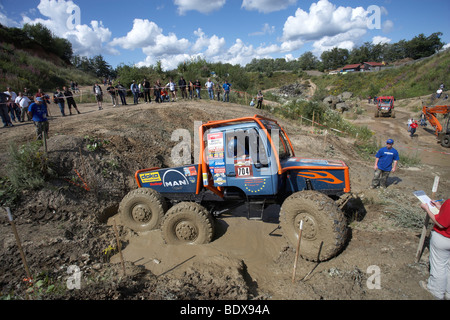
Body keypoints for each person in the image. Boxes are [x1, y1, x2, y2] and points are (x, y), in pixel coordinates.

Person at [419, 199, 450, 300]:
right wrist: (440, 207)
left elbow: (441, 224)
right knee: (448, 266)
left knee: (439, 265)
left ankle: (436, 291)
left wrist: (427, 209)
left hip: (444, 238)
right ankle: (448, 292)